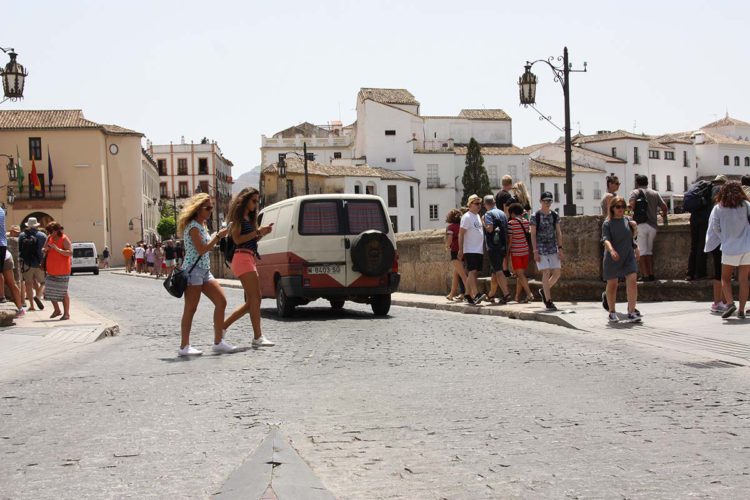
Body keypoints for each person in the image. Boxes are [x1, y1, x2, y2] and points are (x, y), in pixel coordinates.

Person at [177, 193, 234, 356]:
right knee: (191, 308)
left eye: (211, 208)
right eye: (207, 208)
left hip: (205, 271)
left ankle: (218, 342)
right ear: (197, 209)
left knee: (221, 301)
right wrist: (218, 236)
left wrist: (218, 235)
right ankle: (184, 346)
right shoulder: (193, 227)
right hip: (193, 271)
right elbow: (202, 249)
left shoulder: (202, 225)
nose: (210, 211)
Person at [221, 188, 275, 347]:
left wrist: (262, 232)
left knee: (254, 300)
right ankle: (257, 336)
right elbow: (238, 240)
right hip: (242, 258)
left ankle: (224, 326)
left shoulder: (249, 219)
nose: (255, 204)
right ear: (244, 200)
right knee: (255, 299)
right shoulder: (237, 219)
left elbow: (251, 240)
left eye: (257, 201)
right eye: (253, 200)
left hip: (249, 257)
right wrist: (257, 231)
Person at [705, 181, 750, 319]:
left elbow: (715, 227)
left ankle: (730, 303)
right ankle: (742, 310)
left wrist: (724, 238)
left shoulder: (719, 207)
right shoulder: (747, 205)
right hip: (747, 247)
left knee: (725, 279)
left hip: (729, 247)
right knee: (744, 280)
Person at [601, 197, 641, 323]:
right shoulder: (607, 223)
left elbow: (631, 238)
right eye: (618, 207)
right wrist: (611, 250)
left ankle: (631, 310)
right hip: (613, 257)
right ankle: (612, 311)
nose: (621, 209)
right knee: (612, 285)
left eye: (623, 207)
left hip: (628, 255)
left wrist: (636, 247)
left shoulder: (628, 221)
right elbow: (605, 239)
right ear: (612, 208)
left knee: (633, 280)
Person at [628, 174, 668, 281]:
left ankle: (645, 275)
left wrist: (628, 216)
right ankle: (651, 274)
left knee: (641, 251)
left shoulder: (635, 192)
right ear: (647, 182)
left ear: (637, 183)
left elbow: (631, 205)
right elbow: (664, 207)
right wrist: (663, 215)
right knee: (649, 251)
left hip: (640, 224)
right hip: (653, 226)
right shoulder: (654, 193)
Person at [530, 191, 563, 311]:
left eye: (549, 201)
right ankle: (548, 301)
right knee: (546, 271)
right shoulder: (535, 216)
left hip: (553, 247)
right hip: (541, 247)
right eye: (545, 201)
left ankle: (544, 290)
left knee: (557, 272)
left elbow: (558, 232)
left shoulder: (554, 215)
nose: (548, 203)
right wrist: (535, 251)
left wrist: (560, 248)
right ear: (541, 201)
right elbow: (533, 234)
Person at [685, 176, 719, 281]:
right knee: (702, 245)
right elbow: (715, 204)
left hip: (694, 218)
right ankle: (700, 273)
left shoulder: (699, 188)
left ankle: (690, 273)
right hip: (705, 219)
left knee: (693, 245)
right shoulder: (715, 189)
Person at [458, 194, 487, 306]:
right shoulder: (466, 217)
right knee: (472, 271)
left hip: (478, 249)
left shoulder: (478, 216)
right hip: (470, 249)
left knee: (473, 272)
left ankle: (467, 294)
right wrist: (461, 250)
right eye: (476, 203)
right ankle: (476, 294)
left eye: (480, 203)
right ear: (470, 204)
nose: (479, 205)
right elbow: (461, 234)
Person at [482, 195, 511, 304]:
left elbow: (489, 229)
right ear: (494, 203)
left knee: (498, 271)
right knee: (494, 272)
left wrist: (483, 222)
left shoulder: (488, 214)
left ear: (485, 205)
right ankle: (491, 295)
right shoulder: (503, 213)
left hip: (493, 246)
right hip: (503, 246)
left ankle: (506, 294)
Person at [43, 222, 73, 320]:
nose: (49, 233)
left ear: (56, 231)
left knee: (63, 292)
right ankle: (57, 310)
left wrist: (57, 249)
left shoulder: (64, 239)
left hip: (63, 269)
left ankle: (66, 314)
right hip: (51, 269)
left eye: (50, 231)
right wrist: (45, 249)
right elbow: (43, 249)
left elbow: (70, 253)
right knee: (48, 291)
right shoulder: (49, 238)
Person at [507, 203, 533, 303]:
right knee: (520, 275)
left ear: (513, 213)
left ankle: (529, 293)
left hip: (516, 251)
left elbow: (510, 240)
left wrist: (507, 253)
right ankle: (517, 297)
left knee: (520, 275)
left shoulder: (511, 223)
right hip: (525, 251)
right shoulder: (526, 222)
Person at [19, 218, 46, 311]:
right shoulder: (42, 235)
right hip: (39, 263)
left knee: (28, 284)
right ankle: (38, 296)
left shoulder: (22, 235)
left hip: (27, 263)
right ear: (37, 225)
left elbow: (20, 250)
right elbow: (45, 250)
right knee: (44, 282)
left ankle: (31, 306)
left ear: (28, 225)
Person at [444, 208, 468, 301]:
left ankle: (472, 294)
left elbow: (449, 239)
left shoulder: (451, 227)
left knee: (462, 275)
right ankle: (451, 294)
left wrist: (446, 246)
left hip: (455, 251)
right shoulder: (461, 226)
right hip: (463, 251)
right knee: (456, 274)